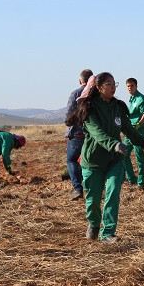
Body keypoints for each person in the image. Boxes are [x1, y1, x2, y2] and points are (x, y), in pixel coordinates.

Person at [69, 73, 144, 244]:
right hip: (93, 161)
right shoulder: (89, 109)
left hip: (115, 159)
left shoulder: (117, 107)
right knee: (93, 200)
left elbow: (129, 130)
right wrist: (114, 144)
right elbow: (97, 133)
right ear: (99, 87)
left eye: (114, 83)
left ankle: (108, 232)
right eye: (109, 84)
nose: (113, 87)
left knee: (113, 192)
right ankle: (93, 224)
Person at [64, 69, 93, 200]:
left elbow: (68, 116)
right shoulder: (97, 93)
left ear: (80, 81)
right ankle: (91, 187)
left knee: (71, 160)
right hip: (93, 134)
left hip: (77, 134)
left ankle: (78, 188)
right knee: (90, 160)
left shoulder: (75, 93)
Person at [120, 77, 144, 190]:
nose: (130, 88)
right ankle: (132, 179)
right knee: (123, 153)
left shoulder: (141, 98)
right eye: (128, 86)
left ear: (136, 86)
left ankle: (141, 183)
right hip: (129, 132)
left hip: (139, 131)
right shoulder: (131, 99)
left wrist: (139, 124)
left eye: (132, 86)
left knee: (139, 157)